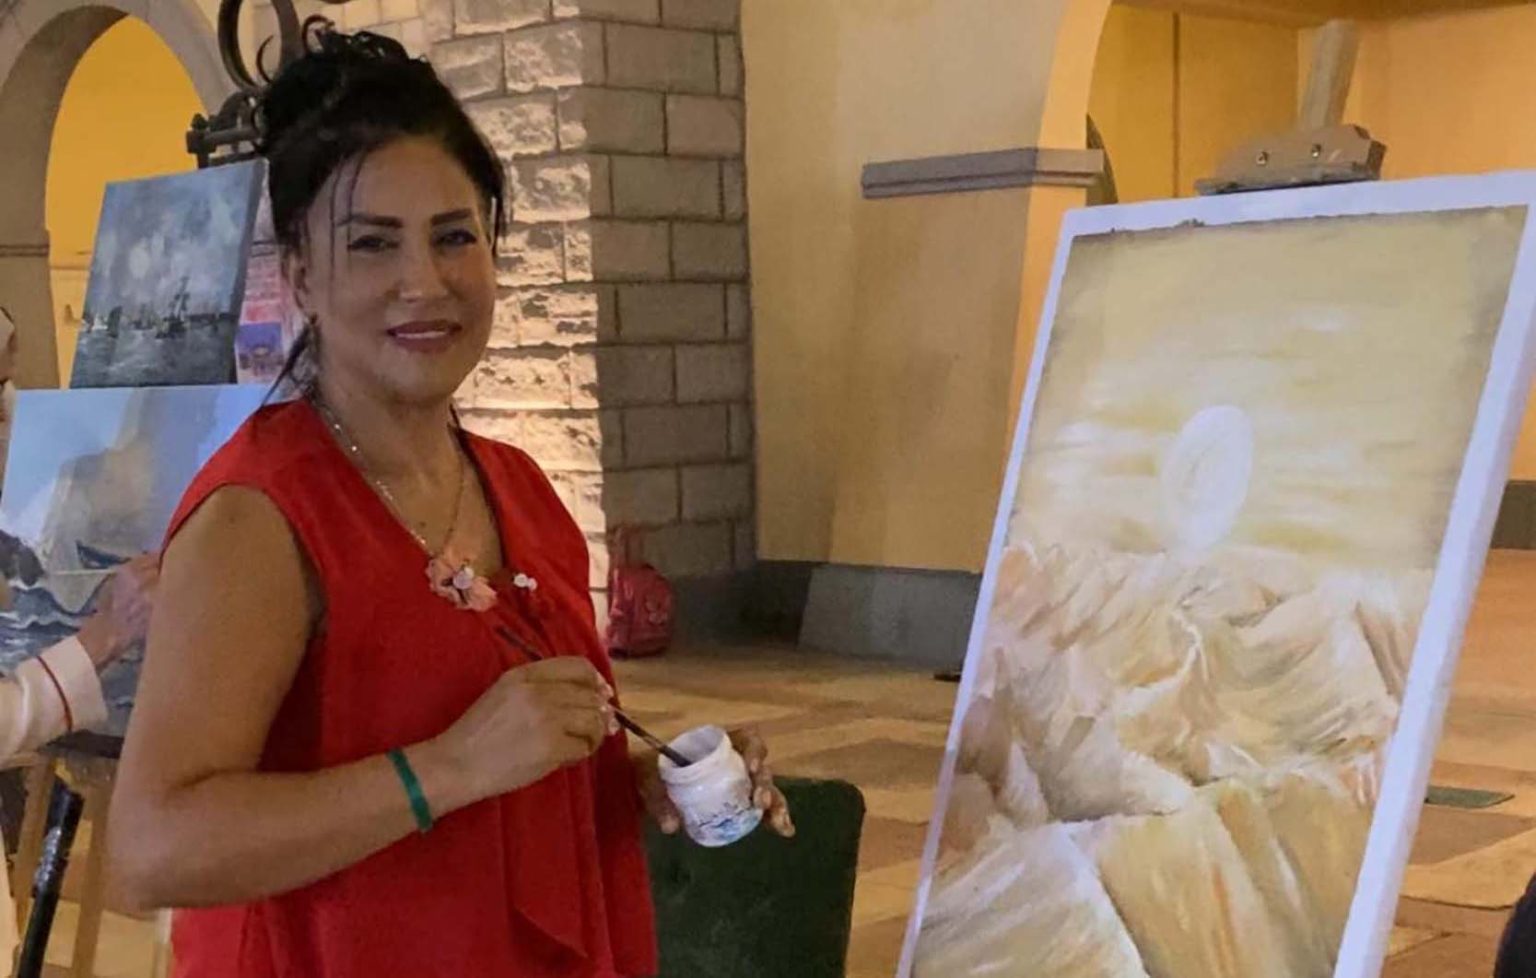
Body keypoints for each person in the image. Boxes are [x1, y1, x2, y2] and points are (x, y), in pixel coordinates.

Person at [107, 28, 791, 978]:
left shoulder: (520, 488)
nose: (423, 282)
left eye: (454, 236)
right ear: (302, 276)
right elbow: (152, 848)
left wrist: (645, 781)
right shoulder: (261, 516)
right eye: (373, 244)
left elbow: (513, 770)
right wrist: (451, 767)